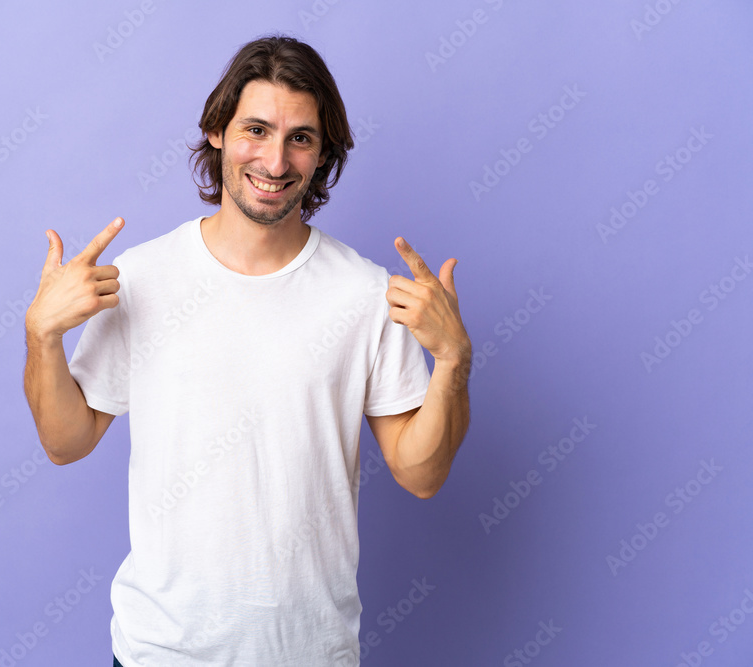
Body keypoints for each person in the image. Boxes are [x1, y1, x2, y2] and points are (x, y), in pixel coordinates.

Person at [23, 34, 471, 667]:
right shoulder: (143, 278)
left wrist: (453, 362)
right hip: (161, 653)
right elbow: (64, 443)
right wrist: (41, 338)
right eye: (255, 129)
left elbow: (421, 475)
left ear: (323, 155)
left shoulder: (368, 294)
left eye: (300, 138)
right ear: (217, 132)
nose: (275, 160)